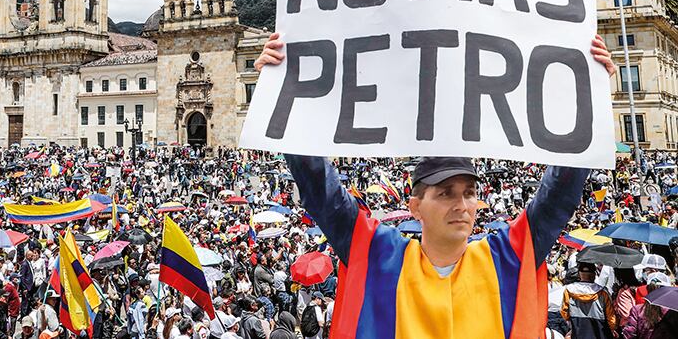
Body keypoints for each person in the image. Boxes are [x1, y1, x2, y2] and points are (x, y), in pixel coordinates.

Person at [254, 32, 618, 338]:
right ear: (415, 206)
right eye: (445, 193)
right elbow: (320, 191)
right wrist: (282, 90)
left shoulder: (505, 257)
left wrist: (590, 95)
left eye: (469, 193)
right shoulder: (380, 254)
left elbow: (558, 196)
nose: (461, 204)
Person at [561, 262, 616, 338]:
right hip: (599, 331)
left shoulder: (569, 290)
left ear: (579, 274)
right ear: (594, 274)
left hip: (577, 330)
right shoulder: (603, 292)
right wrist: (612, 329)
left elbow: (564, 312)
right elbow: (610, 316)